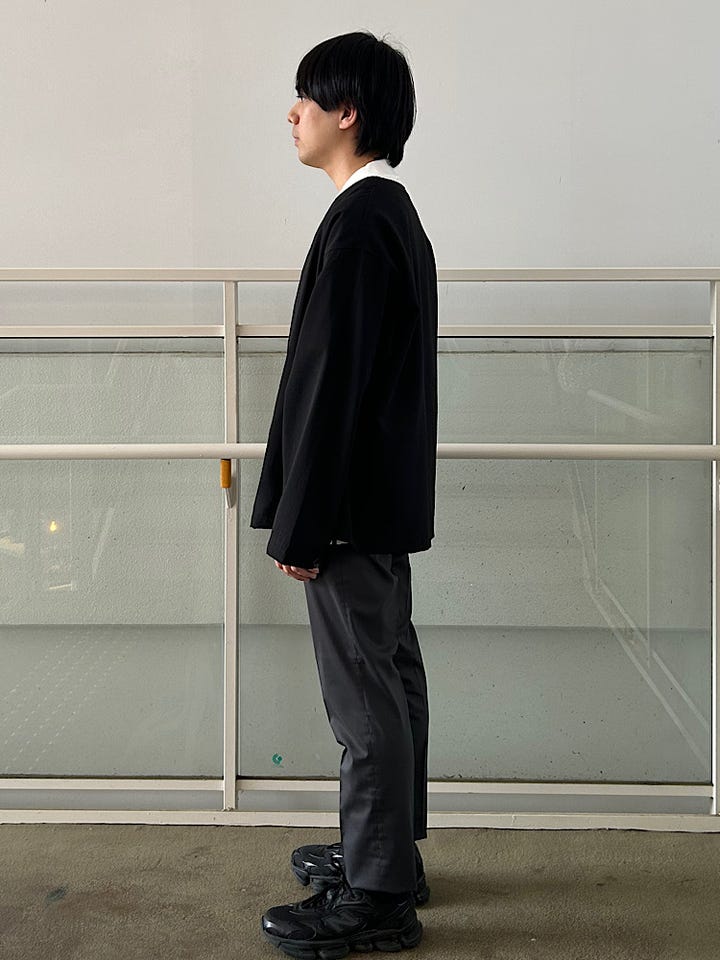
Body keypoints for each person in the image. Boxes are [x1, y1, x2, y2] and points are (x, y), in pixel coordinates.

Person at [250, 30, 438, 958]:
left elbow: (330, 389)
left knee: (363, 704)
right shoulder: (389, 215)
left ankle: (378, 897)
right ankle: (389, 856)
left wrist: (303, 522)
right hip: (376, 507)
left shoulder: (360, 224)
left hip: (349, 515)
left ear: (347, 113)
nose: (293, 113)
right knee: (391, 684)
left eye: (307, 98)